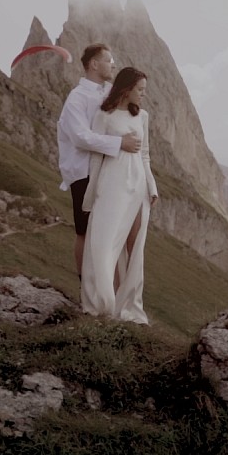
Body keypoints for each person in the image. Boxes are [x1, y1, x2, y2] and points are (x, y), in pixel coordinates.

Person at [57, 44, 142, 281]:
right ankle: (86, 286)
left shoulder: (108, 93)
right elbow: (80, 137)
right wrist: (119, 143)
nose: (113, 64)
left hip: (108, 171)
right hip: (83, 171)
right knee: (85, 231)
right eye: (108, 60)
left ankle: (109, 288)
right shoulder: (77, 98)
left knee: (108, 230)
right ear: (94, 64)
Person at [80, 67, 157, 324]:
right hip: (112, 185)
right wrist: (95, 189)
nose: (143, 95)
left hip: (138, 186)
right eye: (140, 90)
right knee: (104, 243)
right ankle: (103, 302)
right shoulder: (105, 114)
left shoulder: (142, 116)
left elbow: (145, 154)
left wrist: (152, 186)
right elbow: (94, 150)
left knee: (134, 247)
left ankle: (131, 307)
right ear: (126, 89)